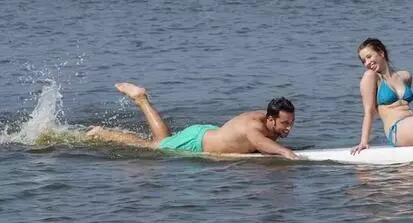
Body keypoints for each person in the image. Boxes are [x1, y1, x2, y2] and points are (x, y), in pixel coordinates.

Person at [86, 82, 300, 160]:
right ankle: (103, 132)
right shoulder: (254, 127)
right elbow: (260, 142)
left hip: (208, 133)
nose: (289, 127)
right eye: (285, 124)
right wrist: (285, 153)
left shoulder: (268, 118)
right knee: (155, 146)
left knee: (162, 139)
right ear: (271, 119)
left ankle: (142, 100)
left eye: (291, 122)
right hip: (198, 142)